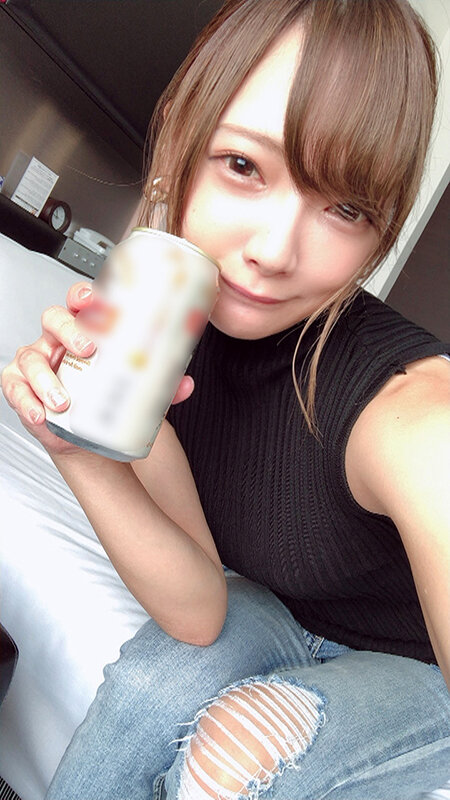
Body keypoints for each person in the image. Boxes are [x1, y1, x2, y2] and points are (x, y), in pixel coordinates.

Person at [2, 0, 449, 797]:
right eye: (242, 165)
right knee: (151, 687)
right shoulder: (155, 332)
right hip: (272, 611)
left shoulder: (409, 412)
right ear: (183, 138)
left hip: (413, 666)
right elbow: (201, 608)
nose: (273, 252)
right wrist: (79, 453)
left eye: (345, 208)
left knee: (239, 753)